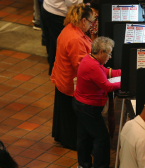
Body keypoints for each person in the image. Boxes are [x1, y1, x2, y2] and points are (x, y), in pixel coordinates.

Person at [50, 3, 93, 150]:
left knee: (64, 114)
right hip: (70, 83)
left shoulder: (69, 29)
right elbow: (81, 65)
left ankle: (62, 138)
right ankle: (72, 142)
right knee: (71, 117)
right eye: (91, 22)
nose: (91, 25)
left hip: (62, 78)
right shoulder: (75, 39)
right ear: (83, 21)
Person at [73, 37, 120, 168]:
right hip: (88, 108)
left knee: (84, 137)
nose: (110, 57)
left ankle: (83, 164)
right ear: (100, 52)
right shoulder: (93, 66)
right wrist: (124, 82)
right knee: (102, 138)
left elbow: (105, 72)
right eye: (109, 53)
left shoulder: (90, 59)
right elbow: (107, 86)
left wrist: (123, 73)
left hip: (81, 105)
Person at [41, 0, 83, 75]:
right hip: (58, 14)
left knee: (54, 45)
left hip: (49, 8)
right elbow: (71, 2)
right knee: (62, 48)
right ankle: (58, 75)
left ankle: (54, 72)